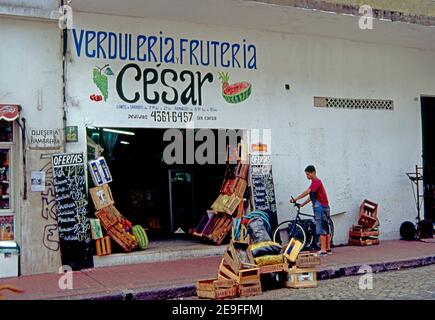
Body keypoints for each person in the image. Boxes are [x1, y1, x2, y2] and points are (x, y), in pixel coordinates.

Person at [290, 165, 331, 256]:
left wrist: (295, 199)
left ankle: (323, 250)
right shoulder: (314, 183)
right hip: (323, 207)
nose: (307, 176)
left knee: (321, 229)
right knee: (326, 228)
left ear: (313, 173)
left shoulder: (316, 181)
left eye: (308, 174)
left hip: (321, 208)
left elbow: (308, 192)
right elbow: (311, 197)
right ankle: (328, 249)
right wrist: (302, 204)